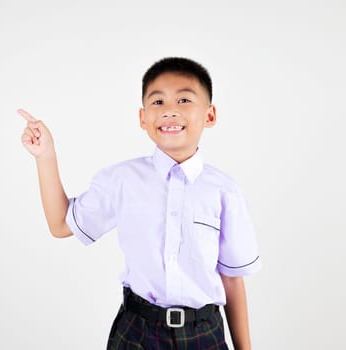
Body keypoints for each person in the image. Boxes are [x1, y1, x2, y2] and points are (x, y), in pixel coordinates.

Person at [19, 57, 261, 350]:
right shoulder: (122, 180)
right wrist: (46, 155)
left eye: (184, 99)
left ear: (209, 115)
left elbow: (232, 280)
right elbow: (61, 224)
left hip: (203, 334)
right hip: (137, 333)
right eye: (158, 102)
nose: (170, 110)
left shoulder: (225, 191)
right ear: (142, 118)